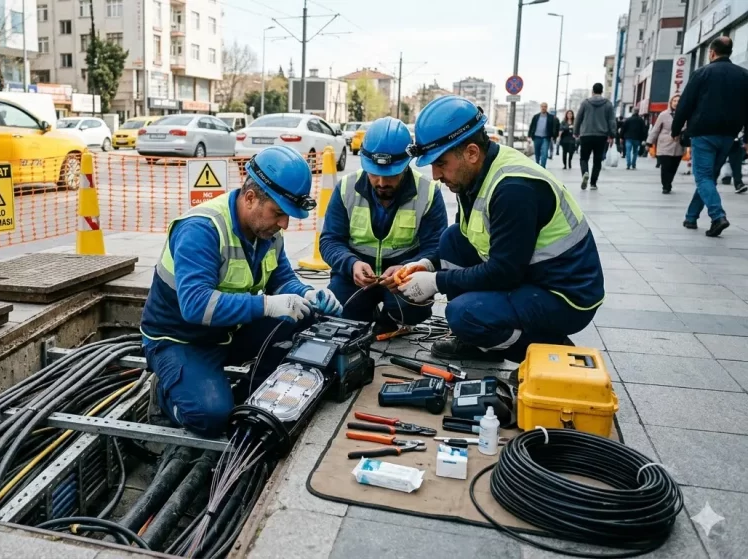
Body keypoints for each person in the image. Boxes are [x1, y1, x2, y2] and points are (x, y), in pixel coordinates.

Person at [140, 145, 343, 436]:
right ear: (250, 198)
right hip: (180, 340)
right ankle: (166, 395)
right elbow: (196, 306)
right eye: (279, 213)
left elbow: (282, 279)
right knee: (209, 418)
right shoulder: (201, 229)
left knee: (306, 316)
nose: (284, 223)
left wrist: (307, 293)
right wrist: (267, 306)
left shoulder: (266, 231)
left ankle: (250, 396)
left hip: (227, 333)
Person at [402, 96, 605, 363]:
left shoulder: (513, 189)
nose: (436, 175)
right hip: (531, 275)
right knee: (453, 238)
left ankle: (550, 350)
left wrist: (436, 282)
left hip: (565, 297)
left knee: (464, 315)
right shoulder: (472, 175)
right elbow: (470, 238)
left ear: (472, 153)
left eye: (440, 163)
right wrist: (428, 265)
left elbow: (504, 273)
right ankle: (478, 342)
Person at [319, 117, 448, 333]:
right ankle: (366, 312)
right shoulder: (346, 188)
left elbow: (437, 247)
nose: (382, 183)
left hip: (403, 278)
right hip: (356, 277)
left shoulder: (428, 192)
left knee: (414, 309)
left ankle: (391, 318)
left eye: (391, 175)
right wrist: (350, 264)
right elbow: (329, 240)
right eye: (375, 174)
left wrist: (409, 267)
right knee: (338, 311)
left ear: (406, 165)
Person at [671, 36, 748, 237]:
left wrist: (675, 129)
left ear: (712, 53)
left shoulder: (702, 73)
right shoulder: (744, 75)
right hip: (729, 134)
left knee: (703, 177)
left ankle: (717, 216)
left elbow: (685, 104)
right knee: (709, 177)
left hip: (703, 133)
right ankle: (691, 217)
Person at [575, 83, 616, 190]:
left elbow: (578, 118)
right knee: (597, 160)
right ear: (602, 91)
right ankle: (593, 183)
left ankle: (585, 173)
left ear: (592, 91)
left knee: (584, 158)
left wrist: (576, 132)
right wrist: (612, 135)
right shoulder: (608, 104)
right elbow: (612, 121)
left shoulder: (585, 103)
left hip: (586, 135)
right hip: (601, 136)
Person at [647, 94, 685, 194]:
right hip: (664, 144)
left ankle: (669, 182)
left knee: (673, 167)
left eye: (678, 101)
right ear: (671, 102)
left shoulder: (685, 115)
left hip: (678, 145)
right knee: (665, 167)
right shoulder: (663, 114)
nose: (676, 103)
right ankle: (665, 185)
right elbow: (655, 129)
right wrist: (649, 142)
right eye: (675, 101)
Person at [527, 102, 556, 168]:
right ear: (540, 107)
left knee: (545, 153)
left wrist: (553, 136)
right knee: (537, 153)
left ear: (547, 107)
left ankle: (543, 166)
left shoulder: (550, 117)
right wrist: (529, 136)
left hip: (546, 137)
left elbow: (554, 127)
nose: (543, 108)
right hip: (536, 137)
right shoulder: (536, 116)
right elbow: (531, 126)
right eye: (542, 106)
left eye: (545, 106)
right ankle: (537, 164)